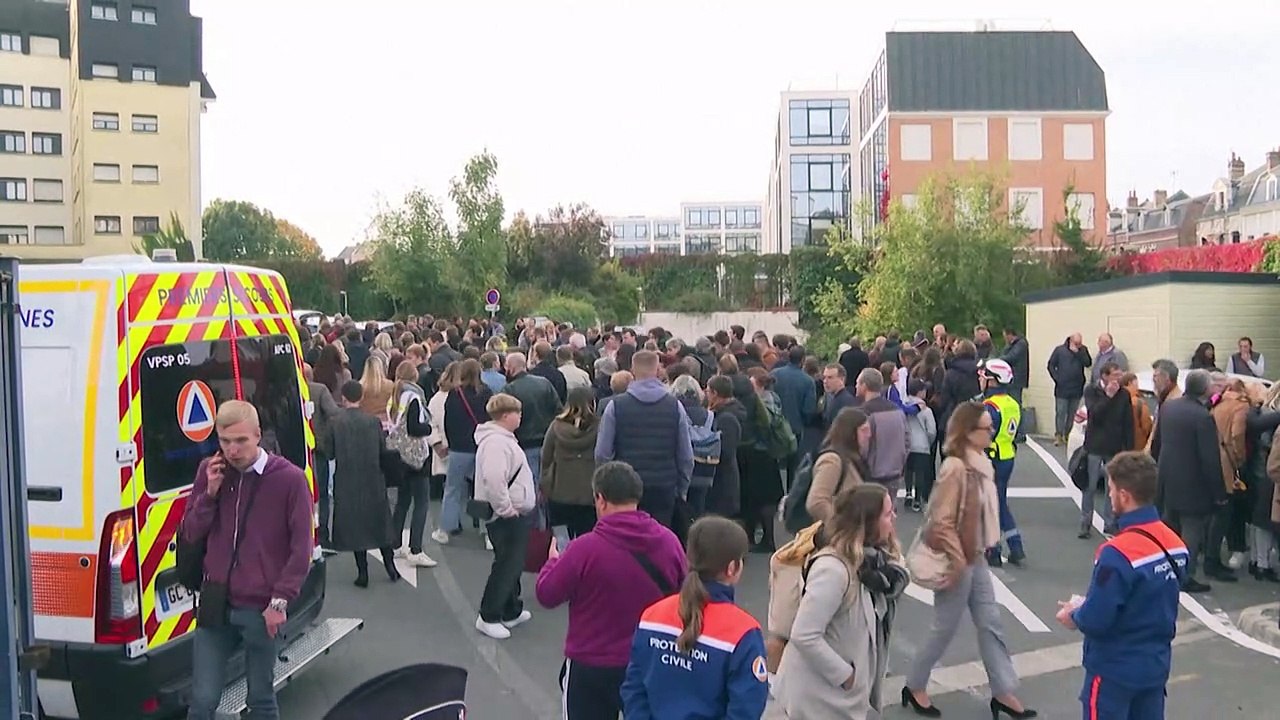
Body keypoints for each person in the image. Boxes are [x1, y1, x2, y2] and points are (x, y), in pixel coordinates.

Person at [902, 401, 1037, 720]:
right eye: (986, 427)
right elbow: (941, 521)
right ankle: (915, 684)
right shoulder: (955, 468)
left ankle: (1003, 692)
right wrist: (957, 559)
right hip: (958, 558)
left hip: (974, 555)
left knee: (991, 623)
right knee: (944, 628)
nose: (992, 431)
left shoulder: (979, 463)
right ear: (967, 433)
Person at [182, 401, 313, 720]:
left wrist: (279, 603)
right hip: (216, 602)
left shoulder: (289, 479)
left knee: (261, 699)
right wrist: (209, 494)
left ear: (258, 435)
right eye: (224, 441)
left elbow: (301, 549)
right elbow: (190, 533)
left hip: (261, 607)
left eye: (240, 441)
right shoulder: (210, 472)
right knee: (202, 700)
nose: (232, 450)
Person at [536, 462, 687, 720]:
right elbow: (683, 596)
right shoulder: (669, 542)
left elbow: (547, 594)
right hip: (648, 661)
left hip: (590, 664)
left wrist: (552, 560)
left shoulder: (584, 549)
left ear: (600, 499)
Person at [1056, 452, 1185, 720]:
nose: (1110, 496)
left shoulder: (1116, 553)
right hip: (1155, 665)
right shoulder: (1176, 545)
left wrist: (1074, 613)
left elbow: (1097, 619)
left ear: (1124, 496)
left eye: (1112, 490)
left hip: (1113, 669)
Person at [774, 485, 908, 720]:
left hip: (841, 700)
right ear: (867, 522)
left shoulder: (874, 563)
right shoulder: (834, 569)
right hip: (818, 700)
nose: (894, 517)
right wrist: (846, 677)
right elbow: (804, 634)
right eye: (888, 513)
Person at [620, 516, 769, 719]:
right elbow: (746, 709)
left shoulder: (652, 615)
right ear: (732, 568)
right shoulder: (743, 631)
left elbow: (634, 689)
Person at [595, 350, 694, 529]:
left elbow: (602, 453)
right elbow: (686, 455)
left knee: (625, 541)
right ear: (657, 370)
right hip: (663, 485)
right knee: (659, 540)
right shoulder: (675, 406)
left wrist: (605, 487)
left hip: (625, 487)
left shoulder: (615, 406)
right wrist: (682, 488)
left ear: (632, 371)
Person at [1150, 369, 1224, 593]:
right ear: (1204, 389)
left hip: (1168, 478)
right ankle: (1185, 575)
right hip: (1194, 484)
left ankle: (1164, 569)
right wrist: (1219, 493)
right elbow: (1210, 458)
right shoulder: (1203, 417)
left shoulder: (1170, 407)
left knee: (1169, 527)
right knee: (1192, 531)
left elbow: (1157, 443)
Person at [473, 393, 538, 639]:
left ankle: (510, 609)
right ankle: (488, 615)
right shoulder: (496, 443)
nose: (520, 416)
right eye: (517, 413)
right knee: (506, 565)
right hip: (507, 515)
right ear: (505, 415)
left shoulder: (500, 440)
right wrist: (506, 509)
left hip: (512, 511)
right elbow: (494, 479)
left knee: (513, 563)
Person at [328, 381, 402, 586]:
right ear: (361, 397)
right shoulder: (372, 422)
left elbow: (329, 451)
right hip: (372, 476)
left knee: (356, 528)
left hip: (347, 478)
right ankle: (391, 568)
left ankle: (363, 574)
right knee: (380, 523)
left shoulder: (335, 422)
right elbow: (381, 448)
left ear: (343, 398)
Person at [435, 359, 492, 546]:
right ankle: (487, 533)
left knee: (452, 489)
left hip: (459, 447)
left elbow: (448, 421)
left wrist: (451, 443)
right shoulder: (487, 393)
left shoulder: (455, 393)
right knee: (483, 490)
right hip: (482, 447)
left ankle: (445, 529)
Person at [977, 359, 1025, 566]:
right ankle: (1015, 546)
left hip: (991, 458)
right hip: (1007, 456)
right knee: (1000, 502)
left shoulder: (990, 407)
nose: (980, 378)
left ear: (993, 381)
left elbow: (982, 434)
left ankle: (994, 550)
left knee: (990, 505)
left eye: (984, 376)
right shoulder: (1012, 403)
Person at [388, 362, 437, 568]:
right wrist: (429, 427)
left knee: (403, 500)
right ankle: (416, 548)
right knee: (422, 502)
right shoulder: (414, 397)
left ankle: (395, 542)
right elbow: (414, 428)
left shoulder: (395, 396)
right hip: (416, 456)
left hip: (399, 455)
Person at [1078, 362, 1134, 539]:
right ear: (1104, 376)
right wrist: (1108, 396)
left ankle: (1110, 523)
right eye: (1115, 375)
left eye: (1120, 374)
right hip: (1094, 446)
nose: (1118, 378)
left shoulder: (1124, 395)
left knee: (1113, 487)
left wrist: (1129, 448)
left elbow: (1128, 422)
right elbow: (1094, 414)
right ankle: (1085, 522)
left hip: (1114, 446)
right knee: (1090, 485)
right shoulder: (1092, 391)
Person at [541, 387, 602, 539]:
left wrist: (545, 483)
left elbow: (546, 457)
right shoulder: (600, 428)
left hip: (560, 491)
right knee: (587, 539)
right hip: (589, 494)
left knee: (561, 539)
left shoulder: (556, 427)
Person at [503, 352, 564, 487]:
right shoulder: (544, 383)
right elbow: (559, 411)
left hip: (523, 443)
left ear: (511, 368)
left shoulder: (509, 389)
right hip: (547, 441)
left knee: (529, 484)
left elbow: (504, 420)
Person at [1209, 377, 1250, 579]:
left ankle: (1208, 553)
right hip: (1228, 463)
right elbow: (1237, 434)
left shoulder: (1219, 403)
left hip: (1213, 459)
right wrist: (1240, 458)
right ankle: (1213, 558)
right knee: (1226, 511)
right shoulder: (1240, 407)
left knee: (1214, 510)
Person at [805, 407, 870, 524]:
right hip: (835, 538)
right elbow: (816, 502)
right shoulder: (832, 460)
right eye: (864, 430)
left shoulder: (851, 458)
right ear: (850, 432)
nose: (869, 435)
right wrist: (839, 526)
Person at [854, 368, 909, 499]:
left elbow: (863, 445)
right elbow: (907, 440)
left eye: (858, 383)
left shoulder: (863, 413)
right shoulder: (898, 411)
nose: (855, 386)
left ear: (864, 386)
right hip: (894, 471)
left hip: (871, 474)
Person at [303, 363, 340, 547]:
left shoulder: (290, 389)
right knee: (322, 493)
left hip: (297, 450)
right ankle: (322, 535)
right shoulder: (319, 390)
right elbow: (333, 412)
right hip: (319, 448)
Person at [704, 375, 745, 519]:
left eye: (708, 391)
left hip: (723, 485)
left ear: (715, 393)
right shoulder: (728, 413)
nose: (706, 394)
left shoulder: (726, 418)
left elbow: (726, 452)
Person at [1047, 333, 1092, 447]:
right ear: (1071, 340)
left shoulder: (1082, 350)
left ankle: (1068, 434)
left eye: (1080, 343)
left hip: (1077, 387)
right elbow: (1051, 365)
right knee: (1061, 412)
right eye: (1077, 343)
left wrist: (1079, 352)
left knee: (1072, 413)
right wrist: (1057, 378)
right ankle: (1059, 435)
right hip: (1062, 387)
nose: (1079, 345)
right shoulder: (1060, 350)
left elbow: (1088, 363)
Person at [905, 379, 938, 512]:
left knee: (908, 470)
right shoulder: (926, 410)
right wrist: (929, 442)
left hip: (906, 444)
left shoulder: (904, 405)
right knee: (920, 473)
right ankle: (917, 500)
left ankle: (908, 493)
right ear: (920, 392)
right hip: (921, 445)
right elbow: (931, 430)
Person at [999, 326, 1030, 443]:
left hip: (1016, 380)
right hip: (1012, 380)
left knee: (1016, 406)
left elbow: (1011, 357)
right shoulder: (1014, 345)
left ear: (1009, 334)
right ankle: (1016, 431)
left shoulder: (1020, 344)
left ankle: (1020, 432)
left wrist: (998, 360)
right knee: (1014, 405)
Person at [820, 363, 857, 433]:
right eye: (824, 377)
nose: (825, 381)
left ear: (842, 379)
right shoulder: (830, 398)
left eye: (830, 377)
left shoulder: (846, 401)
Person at [1122, 373, 1154, 451]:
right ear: (1130, 383)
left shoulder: (1116, 400)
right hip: (1138, 447)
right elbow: (1147, 426)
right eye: (1136, 383)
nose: (1138, 386)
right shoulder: (1138, 403)